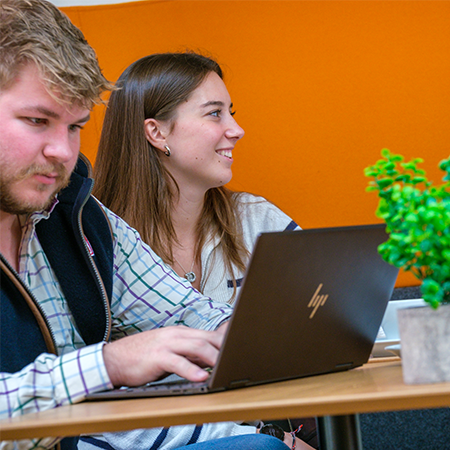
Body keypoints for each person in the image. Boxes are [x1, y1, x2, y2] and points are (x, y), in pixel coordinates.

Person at [0, 2, 293, 450]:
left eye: (76, 126)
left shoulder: (80, 218)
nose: (64, 151)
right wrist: (107, 364)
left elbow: (188, 315)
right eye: (37, 121)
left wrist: (266, 337)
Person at [85, 52, 315, 450]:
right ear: (157, 133)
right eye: (214, 114)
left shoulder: (257, 220)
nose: (237, 129)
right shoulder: (95, 240)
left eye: (231, 112)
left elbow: (327, 315)